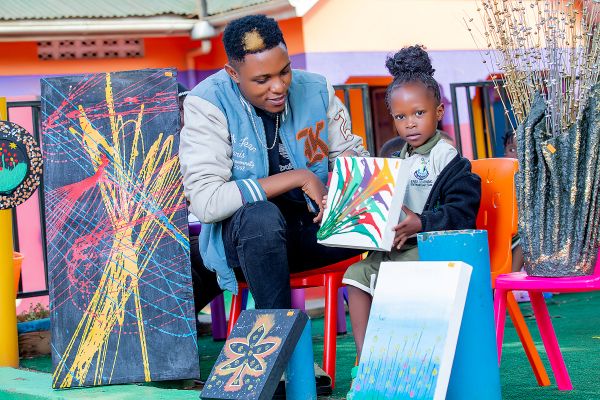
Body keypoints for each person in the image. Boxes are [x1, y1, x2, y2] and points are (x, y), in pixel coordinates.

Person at [179, 14, 368, 311]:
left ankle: (398, 332)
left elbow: (353, 159)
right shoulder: (207, 103)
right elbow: (206, 202)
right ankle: (278, 335)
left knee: (390, 213)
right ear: (233, 73)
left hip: (313, 233)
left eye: (285, 71)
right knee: (261, 218)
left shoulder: (317, 89)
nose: (279, 87)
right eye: (262, 80)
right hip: (246, 245)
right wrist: (300, 177)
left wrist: (341, 188)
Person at [342, 45, 482, 365]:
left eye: (419, 113)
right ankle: (367, 360)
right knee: (355, 274)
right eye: (401, 117)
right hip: (396, 248)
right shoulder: (397, 160)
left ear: (439, 111)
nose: (410, 123)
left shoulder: (448, 160)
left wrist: (422, 222)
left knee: (397, 278)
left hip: (432, 249)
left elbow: (463, 210)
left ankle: (407, 357)